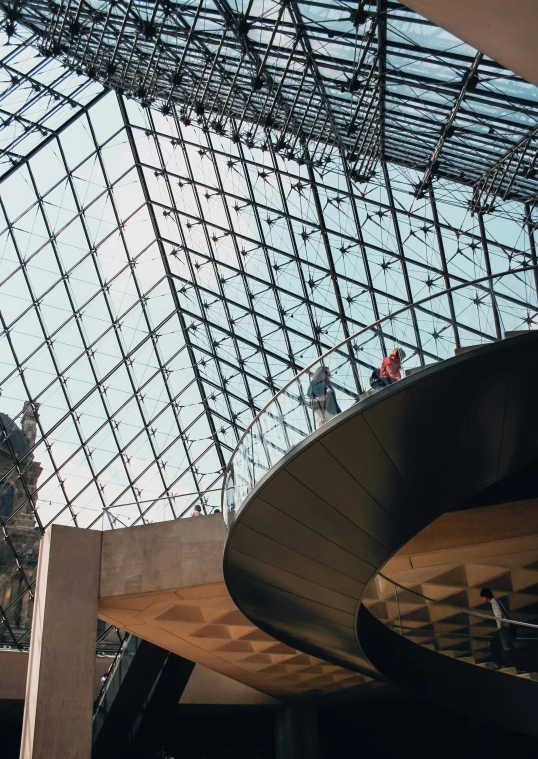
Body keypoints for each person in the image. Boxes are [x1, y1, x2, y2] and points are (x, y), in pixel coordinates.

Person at [480, 587, 516, 668]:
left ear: (485, 597)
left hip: (504, 628)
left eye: (482, 598)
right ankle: (505, 663)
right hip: (507, 627)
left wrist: (499, 628)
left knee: (500, 645)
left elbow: (499, 615)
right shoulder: (497, 601)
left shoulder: (494, 602)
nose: (483, 600)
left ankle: (501, 663)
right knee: (503, 645)